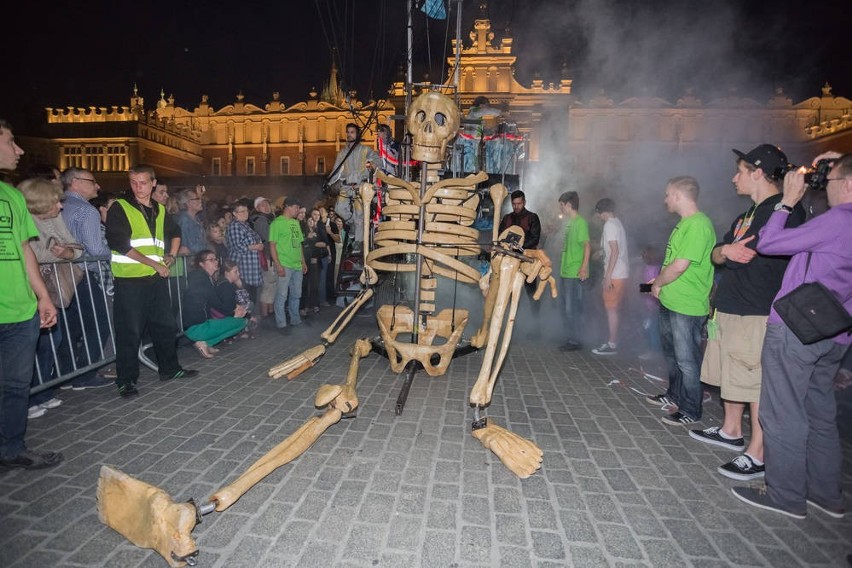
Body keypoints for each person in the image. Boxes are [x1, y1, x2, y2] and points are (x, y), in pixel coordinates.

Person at [731, 152, 852, 519]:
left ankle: (786, 495)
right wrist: (836, 162)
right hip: (836, 332)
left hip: (797, 328)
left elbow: (768, 243)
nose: (823, 188)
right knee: (819, 412)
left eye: (830, 182)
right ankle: (825, 493)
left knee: (783, 411)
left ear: (848, 185)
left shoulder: (840, 220)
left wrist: (785, 203)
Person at [690, 144, 805, 481]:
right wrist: (725, 250)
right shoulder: (747, 215)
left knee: (754, 380)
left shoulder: (784, 211)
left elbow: (766, 252)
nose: (733, 177)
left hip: (757, 309)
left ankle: (758, 452)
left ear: (758, 172)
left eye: (740, 171)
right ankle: (730, 430)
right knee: (732, 373)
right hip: (731, 307)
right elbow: (717, 254)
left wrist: (728, 252)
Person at [0, 118, 63, 471]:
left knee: (15, 385)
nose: (19, 150)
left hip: (19, 310)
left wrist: (42, 296)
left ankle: (12, 447)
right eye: (11, 141)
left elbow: (24, 249)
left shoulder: (12, 196)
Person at [105, 164, 197, 397]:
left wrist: (172, 255)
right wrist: (155, 264)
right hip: (130, 281)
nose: (138, 187)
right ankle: (125, 381)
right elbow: (119, 244)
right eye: (134, 182)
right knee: (129, 333)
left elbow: (175, 232)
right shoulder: (120, 207)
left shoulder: (159, 209)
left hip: (155, 280)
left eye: (143, 182)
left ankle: (170, 369)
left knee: (165, 327)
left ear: (153, 183)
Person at [647, 176, 715, 426]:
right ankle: (673, 395)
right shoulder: (684, 224)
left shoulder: (698, 225)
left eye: (667, 194)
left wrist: (658, 283)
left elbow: (679, 266)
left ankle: (690, 409)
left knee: (688, 360)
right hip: (671, 300)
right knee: (673, 355)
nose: (665, 199)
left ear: (678, 195)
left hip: (687, 305)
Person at [18, 177, 82, 417]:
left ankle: (42, 392)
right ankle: (28, 398)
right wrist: (65, 253)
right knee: (31, 345)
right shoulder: (23, 217)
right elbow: (35, 255)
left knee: (51, 341)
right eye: (56, 201)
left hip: (52, 290)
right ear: (40, 202)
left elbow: (76, 248)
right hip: (29, 289)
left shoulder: (55, 218)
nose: (61, 206)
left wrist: (67, 251)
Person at [58, 167, 114, 389]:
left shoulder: (61, 206)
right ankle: (85, 374)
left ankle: (65, 374)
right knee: (98, 324)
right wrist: (119, 252)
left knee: (70, 328)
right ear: (75, 182)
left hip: (62, 275)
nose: (97, 186)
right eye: (92, 181)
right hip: (84, 275)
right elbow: (97, 249)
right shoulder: (87, 211)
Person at [181, 251, 248, 357]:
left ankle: (205, 343)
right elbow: (215, 303)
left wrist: (235, 309)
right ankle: (202, 342)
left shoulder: (205, 277)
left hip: (196, 324)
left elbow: (214, 302)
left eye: (215, 259)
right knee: (242, 322)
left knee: (237, 320)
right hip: (196, 327)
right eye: (211, 260)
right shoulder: (200, 278)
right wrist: (233, 313)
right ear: (201, 264)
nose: (215, 261)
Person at [498, 190, 543, 334]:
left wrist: (519, 248)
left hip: (527, 261)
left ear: (524, 202)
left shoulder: (532, 218)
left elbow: (535, 238)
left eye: (519, 203)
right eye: (514, 204)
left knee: (532, 294)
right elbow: (500, 236)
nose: (517, 206)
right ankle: (510, 326)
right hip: (510, 262)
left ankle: (536, 326)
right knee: (508, 293)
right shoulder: (507, 218)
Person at [330, 123, 378, 251]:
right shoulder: (342, 153)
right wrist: (329, 183)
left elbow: (377, 160)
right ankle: (351, 225)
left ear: (357, 135)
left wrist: (373, 165)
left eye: (352, 132)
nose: (349, 134)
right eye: (348, 132)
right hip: (346, 187)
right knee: (339, 209)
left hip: (360, 186)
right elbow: (336, 171)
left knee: (359, 212)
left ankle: (359, 241)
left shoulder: (365, 150)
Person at [591, 198, 630, 355]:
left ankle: (612, 344)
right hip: (620, 273)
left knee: (611, 309)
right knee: (614, 308)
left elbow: (615, 251)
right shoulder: (617, 223)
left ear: (603, 212)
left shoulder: (610, 225)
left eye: (599, 213)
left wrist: (607, 276)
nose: (599, 217)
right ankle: (613, 339)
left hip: (615, 275)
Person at [557, 191, 590, 351]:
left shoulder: (580, 222)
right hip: (565, 271)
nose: (561, 209)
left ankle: (576, 340)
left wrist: (583, 267)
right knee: (565, 308)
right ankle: (571, 337)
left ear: (569, 205)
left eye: (562, 206)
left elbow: (587, 245)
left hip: (575, 272)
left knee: (573, 308)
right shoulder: (569, 222)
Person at [269, 196, 307, 332]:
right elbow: (272, 246)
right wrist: (278, 265)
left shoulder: (295, 223)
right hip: (285, 264)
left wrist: (303, 262)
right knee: (282, 295)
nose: (298, 210)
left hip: (296, 265)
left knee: (296, 294)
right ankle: (281, 323)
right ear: (288, 207)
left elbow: (299, 244)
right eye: (296, 208)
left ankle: (295, 320)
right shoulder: (276, 223)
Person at [226, 202, 264, 305]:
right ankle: (246, 319)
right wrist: (256, 246)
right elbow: (237, 246)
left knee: (251, 297)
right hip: (243, 268)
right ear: (234, 213)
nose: (245, 213)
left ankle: (251, 318)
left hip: (251, 268)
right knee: (244, 298)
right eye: (242, 211)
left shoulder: (246, 225)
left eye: (246, 211)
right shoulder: (234, 226)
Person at [249, 196, 278, 319]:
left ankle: (270, 311)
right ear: (257, 208)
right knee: (268, 285)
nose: (266, 207)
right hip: (267, 256)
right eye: (263, 205)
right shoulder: (260, 220)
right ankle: (266, 315)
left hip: (271, 256)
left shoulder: (269, 218)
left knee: (272, 285)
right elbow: (267, 238)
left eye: (267, 204)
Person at [176, 187, 207, 255]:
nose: (200, 201)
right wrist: (206, 250)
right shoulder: (184, 220)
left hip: (199, 257)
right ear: (188, 203)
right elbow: (187, 247)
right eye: (197, 199)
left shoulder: (196, 218)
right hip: (191, 260)